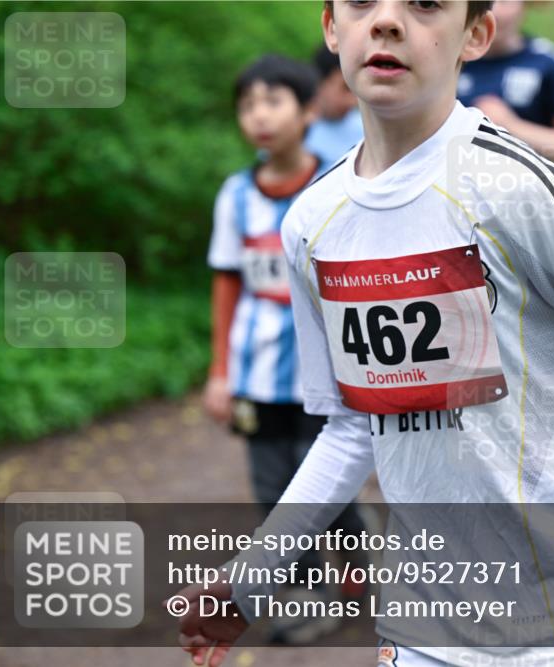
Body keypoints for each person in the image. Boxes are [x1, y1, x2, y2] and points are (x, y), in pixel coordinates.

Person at [175, 4, 554, 667]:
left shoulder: (517, 188)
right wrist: (253, 577)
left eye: (422, 2)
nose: (386, 21)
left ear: (475, 34)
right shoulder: (312, 223)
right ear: (332, 27)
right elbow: (356, 426)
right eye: (362, 2)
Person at [203, 53, 368, 643]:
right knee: (273, 488)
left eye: (273, 102)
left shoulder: (339, 185)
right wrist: (220, 371)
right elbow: (227, 281)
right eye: (247, 106)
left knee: (325, 479)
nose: (259, 117)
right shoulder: (235, 196)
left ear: (307, 111)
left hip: (325, 376)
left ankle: (355, 568)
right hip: (256, 376)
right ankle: (300, 593)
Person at [456, 0, 554, 167]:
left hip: (522, 188)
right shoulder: (452, 59)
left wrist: (510, 128)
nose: (496, 12)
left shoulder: (547, 62)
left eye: (505, 1)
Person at [303, 45, 364, 166]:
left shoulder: (368, 132)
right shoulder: (291, 132)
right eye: (345, 88)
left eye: (356, 89)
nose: (353, 101)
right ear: (320, 83)